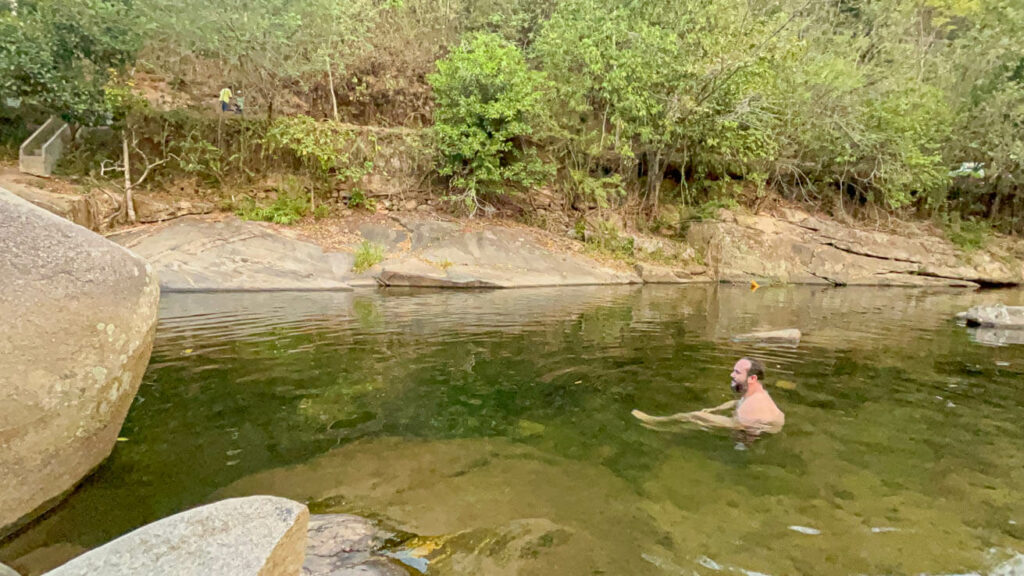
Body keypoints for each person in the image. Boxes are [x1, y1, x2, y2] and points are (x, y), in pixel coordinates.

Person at [632, 357, 785, 435]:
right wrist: (715, 409)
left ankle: (655, 422)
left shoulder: (752, 407)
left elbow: (740, 426)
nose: (731, 375)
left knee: (694, 416)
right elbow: (737, 401)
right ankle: (666, 427)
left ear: (752, 378)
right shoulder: (756, 392)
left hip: (748, 425)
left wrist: (707, 418)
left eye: (737, 373)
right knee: (698, 420)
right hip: (766, 423)